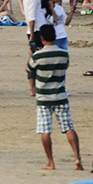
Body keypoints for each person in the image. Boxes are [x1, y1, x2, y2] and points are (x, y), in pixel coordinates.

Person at [27, 24, 80, 171]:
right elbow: (65, 67)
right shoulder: (63, 54)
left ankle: (51, 162)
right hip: (60, 95)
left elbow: (29, 68)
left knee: (45, 130)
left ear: (42, 38)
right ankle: (77, 158)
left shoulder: (38, 56)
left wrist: (33, 53)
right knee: (68, 127)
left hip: (44, 97)